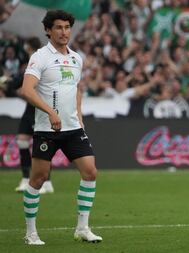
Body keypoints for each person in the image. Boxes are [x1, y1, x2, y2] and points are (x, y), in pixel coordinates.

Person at [20, 10, 102, 245]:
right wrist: (51, 112)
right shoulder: (40, 57)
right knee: (38, 179)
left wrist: (80, 115)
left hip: (73, 128)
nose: (64, 32)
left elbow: (76, 88)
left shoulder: (77, 58)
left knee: (90, 172)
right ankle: (30, 233)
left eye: (67, 27)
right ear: (48, 30)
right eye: (58, 27)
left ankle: (83, 228)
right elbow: (27, 90)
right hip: (47, 129)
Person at [15, 37, 55, 194]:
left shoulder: (42, 62)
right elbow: (18, 82)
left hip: (40, 109)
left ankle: (47, 182)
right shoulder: (30, 64)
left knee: (43, 145)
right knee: (22, 142)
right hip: (29, 109)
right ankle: (25, 179)